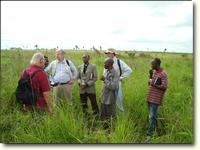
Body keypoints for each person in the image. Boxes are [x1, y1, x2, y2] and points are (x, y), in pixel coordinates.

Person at [103, 48, 132, 114]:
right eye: (107, 53)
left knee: (118, 101)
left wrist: (121, 77)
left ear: (113, 54)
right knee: (108, 100)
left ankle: (121, 118)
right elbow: (104, 73)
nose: (107, 54)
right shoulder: (106, 61)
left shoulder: (119, 62)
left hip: (116, 84)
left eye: (109, 53)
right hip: (107, 84)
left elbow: (129, 70)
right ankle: (111, 116)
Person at [146, 58, 168, 143]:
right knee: (152, 117)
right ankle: (155, 132)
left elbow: (164, 86)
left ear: (157, 64)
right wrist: (150, 79)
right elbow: (151, 83)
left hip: (155, 99)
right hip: (149, 97)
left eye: (152, 64)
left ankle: (149, 135)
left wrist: (152, 83)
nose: (151, 66)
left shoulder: (163, 74)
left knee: (152, 117)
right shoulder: (154, 72)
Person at [100, 58, 119, 130]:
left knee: (111, 117)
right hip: (103, 98)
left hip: (110, 99)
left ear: (110, 65)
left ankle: (112, 131)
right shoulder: (107, 71)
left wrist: (105, 80)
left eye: (105, 63)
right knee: (103, 116)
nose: (104, 64)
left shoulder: (115, 73)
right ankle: (105, 130)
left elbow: (114, 86)